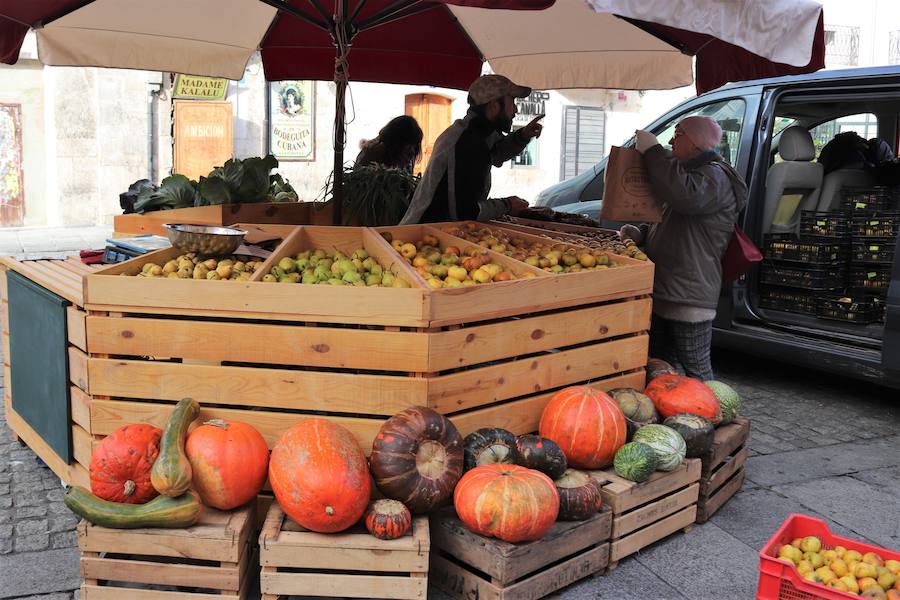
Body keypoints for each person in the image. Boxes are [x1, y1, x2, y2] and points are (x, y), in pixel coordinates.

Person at [624, 116, 748, 381]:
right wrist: (641, 232)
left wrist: (653, 151)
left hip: (689, 297)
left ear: (695, 143)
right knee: (659, 367)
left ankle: (711, 417)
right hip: (667, 292)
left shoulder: (715, 177)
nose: (670, 141)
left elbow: (686, 197)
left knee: (697, 373)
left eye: (677, 134)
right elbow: (673, 223)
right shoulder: (689, 175)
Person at [400, 74, 544, 224]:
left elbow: (497, 152)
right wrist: (507, 205)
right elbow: (465, 213)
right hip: (423, 234)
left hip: (439, 231)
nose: (516, 109)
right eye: (512, 101)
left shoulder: (477, 132)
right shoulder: (467, 141)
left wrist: (523, 136)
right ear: (494, 106)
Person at [355, 115, 424, 172]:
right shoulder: (370, 156)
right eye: (408, 147)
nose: (412, 152)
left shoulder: (408, 160)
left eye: (414, 147)